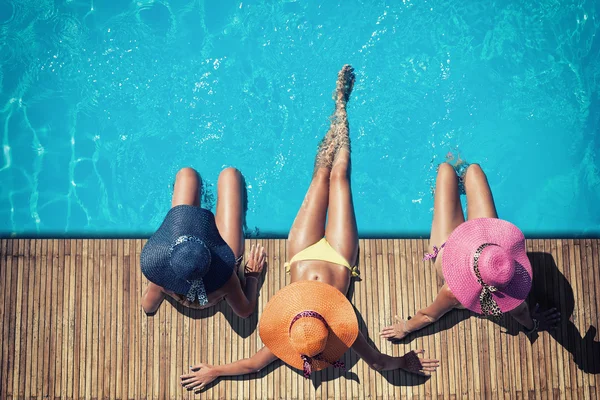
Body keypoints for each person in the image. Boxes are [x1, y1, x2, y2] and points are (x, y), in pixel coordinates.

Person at [180, 65, 439, 392]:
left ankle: (336, 113)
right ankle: (341, 109)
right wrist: (403, 362)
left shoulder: (293, 332)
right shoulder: (340, 327)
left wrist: (216, 370)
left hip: (301, 253)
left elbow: (253, 364)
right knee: (339, 177)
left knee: (320, 178)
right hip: (339, 258)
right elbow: (377, 361)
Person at [380, 160, 560, 340]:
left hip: (451, 248)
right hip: (487, 244)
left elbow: (429, 315)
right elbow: (521, 314)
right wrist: (533, 326)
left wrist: (405, 327)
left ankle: (456, 183)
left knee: (445, 170)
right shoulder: (509, 282)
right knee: (473, 170)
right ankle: (461, 180)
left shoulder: (453, 291)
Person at [140, 166, 266, 317]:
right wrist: (252, 278)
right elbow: (245, 311)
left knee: (187, 174)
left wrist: (163, 279)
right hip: (219, 264)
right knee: (230, 175)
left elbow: (148, 308)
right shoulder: (226, 279)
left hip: (187, 264)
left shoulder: (163, 277)